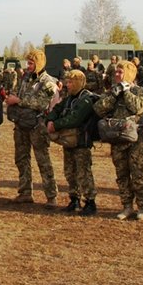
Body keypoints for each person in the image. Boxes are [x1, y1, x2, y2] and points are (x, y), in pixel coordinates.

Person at [94, 60, 143, 220]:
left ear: (129, 74)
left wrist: (126, 92)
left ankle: (142, 207)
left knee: (138, 174)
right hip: (117, 139)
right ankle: (127, 206)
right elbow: (98, 108)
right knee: (122, 174)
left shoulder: (140, 91)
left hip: (135, 140)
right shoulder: (112, 92)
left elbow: (138, 107)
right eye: (116, 72)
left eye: (120, 72)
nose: (117, 75)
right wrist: (114, 94)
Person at [5, 49, 58, 208]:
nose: (28, 66)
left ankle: (51, 196)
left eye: (31, 63)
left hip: (37, 126)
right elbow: (16, 92)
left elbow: (41, 103)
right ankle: (25, 192)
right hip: (21, 125)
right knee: (21, 159)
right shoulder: (25, 78)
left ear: (39, 64)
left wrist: (18, 101)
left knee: (43, 161)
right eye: (27, 63)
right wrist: (11, 98)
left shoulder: (48, 82)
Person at [46, 70, 98, 215]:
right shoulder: (69, 99)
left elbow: (76, 118)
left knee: (83, 173)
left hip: (81, 142)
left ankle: (90, 202)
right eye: (67, 82)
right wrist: (50, 119)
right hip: (68, 141)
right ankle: (74, 199)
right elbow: (57, 108)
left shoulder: (86, 99)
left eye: (70, 82)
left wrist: (56, 125)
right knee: (70, 172)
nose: (67, 85)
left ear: (78, 83)